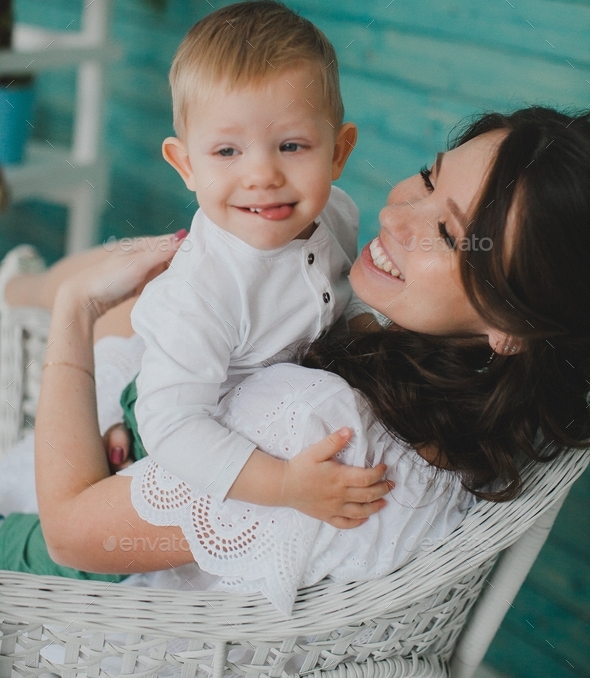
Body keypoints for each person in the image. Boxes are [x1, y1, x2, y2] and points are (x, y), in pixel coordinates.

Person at [0, 106, 589, 614]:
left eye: (451, 235)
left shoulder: (319, 425)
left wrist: (75, 314)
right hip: (133, 449)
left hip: (72, 597)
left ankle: (25, 288)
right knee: (160, 289)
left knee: (115, 296)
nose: (397, 216)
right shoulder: (470, 406)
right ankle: (22, 286)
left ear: (513, 326)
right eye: (429, 178)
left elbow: (69, 539)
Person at [130, 0, 380, 506]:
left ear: (338, 152)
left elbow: (345, 292)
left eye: (292, 146)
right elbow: (172, 426)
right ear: (186, 165)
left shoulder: (339, 214)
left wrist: (369, 336)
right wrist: (284, 487)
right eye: (227, 152)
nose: (262, 175)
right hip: (175, 415)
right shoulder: (202, 292)